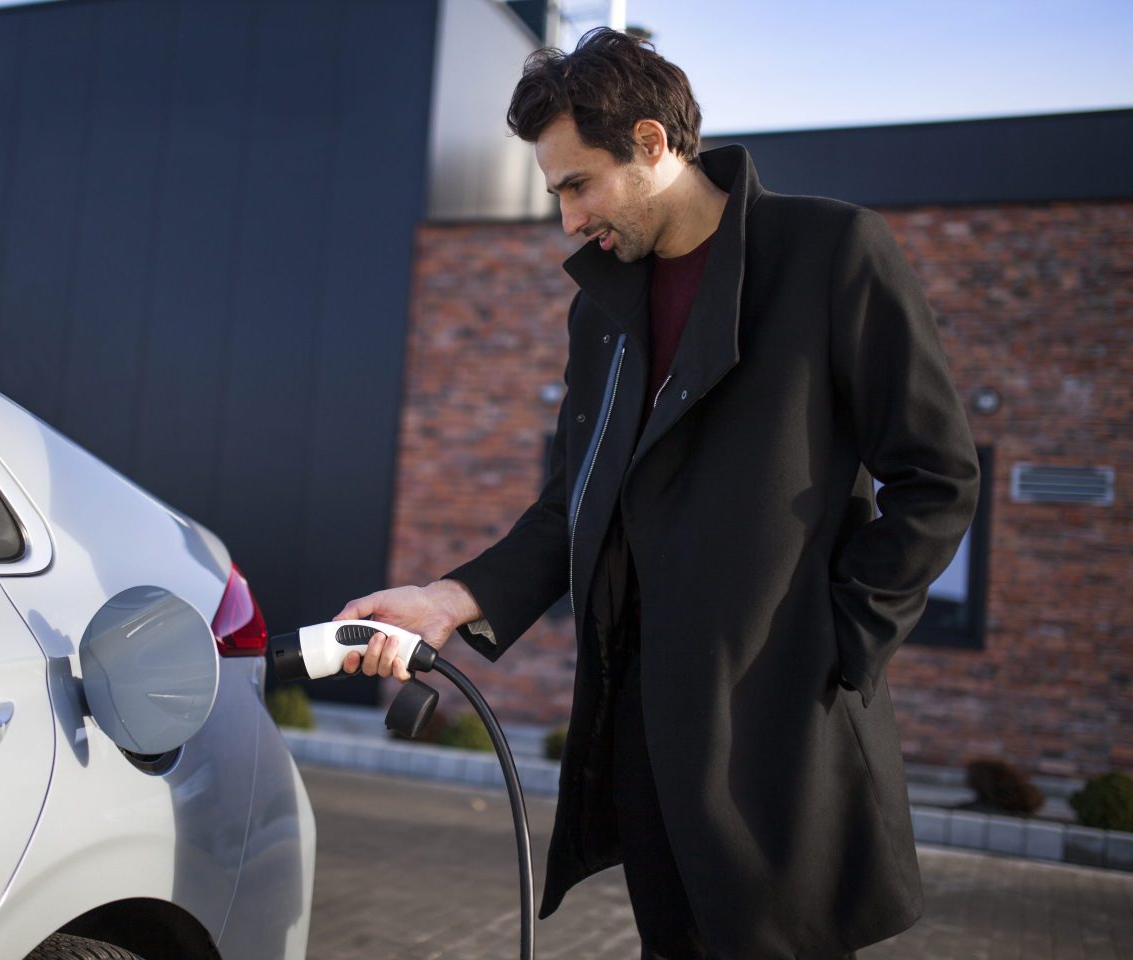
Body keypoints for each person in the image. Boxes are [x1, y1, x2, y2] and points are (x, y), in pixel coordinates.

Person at [336, 28, 980, 960]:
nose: (566, 221)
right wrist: (445, 600)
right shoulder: (600, 309)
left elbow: (938, 475)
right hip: (646, 734)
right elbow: (573, 506)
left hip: (780, 734)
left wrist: (837, 643)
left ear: (651, 144)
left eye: (576, 185)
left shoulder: (830, 251)